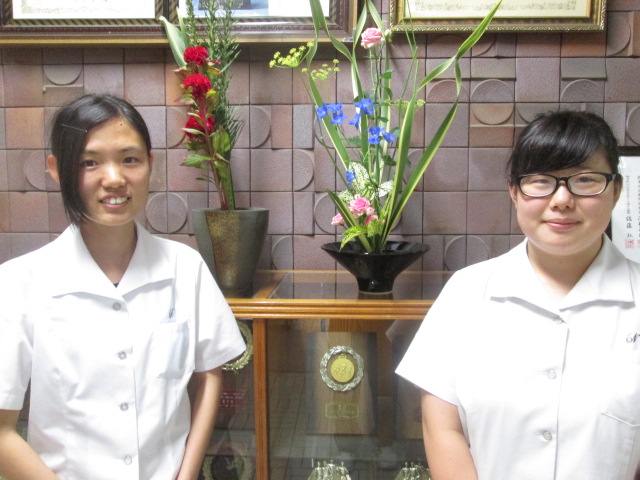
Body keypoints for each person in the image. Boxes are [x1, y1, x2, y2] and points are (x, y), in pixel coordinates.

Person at [0, 94, 246, 480]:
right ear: (57, 170)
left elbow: (210, 375)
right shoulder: (19, 282)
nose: (114, 178)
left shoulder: (185, 268)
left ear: (151, 164)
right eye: (89, 162)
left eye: (129, 159)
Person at [397, 110, 640, 479]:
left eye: (585, 180)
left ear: (616, 190)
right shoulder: (466, 292)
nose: (562, 199)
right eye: (541, 181)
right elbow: (442, 428)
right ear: (514, 191)